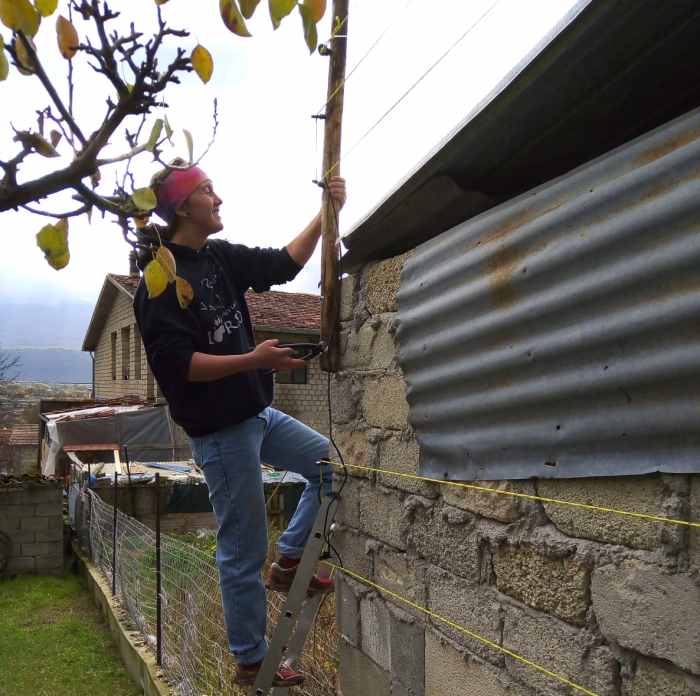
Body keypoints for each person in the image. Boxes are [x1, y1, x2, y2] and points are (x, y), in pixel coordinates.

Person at [133, 159, 346, 688]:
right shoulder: (160, 284)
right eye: (208, 191)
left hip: (257, 414)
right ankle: (251, 660)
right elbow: (180, 368)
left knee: (329, 465)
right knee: (242, 549)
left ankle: (291, 560)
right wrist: (255, 360)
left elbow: (282, 264)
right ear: (184, 207)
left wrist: (326, 213)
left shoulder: (217, 257)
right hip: (221, 434)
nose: (219, 198)